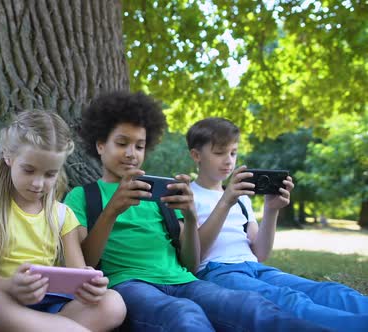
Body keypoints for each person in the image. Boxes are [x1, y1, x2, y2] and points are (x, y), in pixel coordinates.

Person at [64, 91, 330, 332]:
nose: (131, 154)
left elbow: (191, 263)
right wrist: (111, 211)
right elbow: (84, 263)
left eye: (140, 146)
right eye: (122, 143)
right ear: (101, 145)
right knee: (184, 315)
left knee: (251, 306)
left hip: (184, 280)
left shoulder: (160, 196)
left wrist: (190, 218)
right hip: (129, 285)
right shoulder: (82, 196)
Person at [187, 117, 368, 331]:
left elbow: (260, 253)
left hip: (255, 267)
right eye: (219, 153)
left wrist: (271, 210)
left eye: (233, 153)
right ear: (196, 155)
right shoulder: (188, 196)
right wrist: (225, 202)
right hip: (218, 272)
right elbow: (195, 257)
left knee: (330, 291)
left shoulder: (242, 198)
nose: (229, 161)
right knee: (288, 300)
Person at [0, 110, 126, 332]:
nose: (38, 183)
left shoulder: (63, 215)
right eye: (29, 170)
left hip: (56, 305)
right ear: (8, 157)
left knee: (113, 303)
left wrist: (91, 287)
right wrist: (11, 285)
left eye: (49, 174)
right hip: (11, 301)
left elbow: (78, 273)